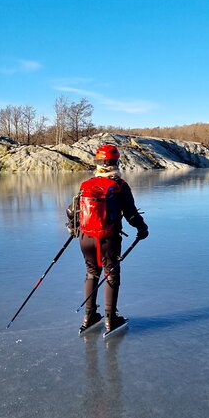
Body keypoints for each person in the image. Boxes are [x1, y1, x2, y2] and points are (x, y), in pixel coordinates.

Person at [67, 144, 149, 335]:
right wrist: (142, 229)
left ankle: (89, 316)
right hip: (108, 240)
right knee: (111, 274)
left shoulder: (86, 185)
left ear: (97, 163)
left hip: (85, 238)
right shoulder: (119, 186)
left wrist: (72, 227)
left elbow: (72, 211)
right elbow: (131, 215)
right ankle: (110, 320)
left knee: (91, 273)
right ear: (116, 163)